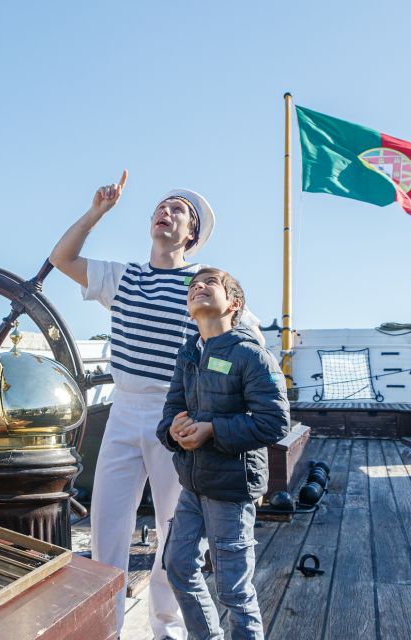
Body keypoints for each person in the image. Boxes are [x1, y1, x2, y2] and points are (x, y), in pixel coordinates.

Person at [50, 170, 261, 639]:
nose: (165, 213)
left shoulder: (202, 285)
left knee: (173, 529)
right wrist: (96, 212)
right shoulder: (121, 276)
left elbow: (249, 340)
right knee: (107, 523)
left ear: (193, 234)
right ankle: (106, 629)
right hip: (123, 409)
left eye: (178, 210)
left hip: (178, 413)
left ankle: (167, 629)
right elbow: (61, 258)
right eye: (161, 207)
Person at [157, 268, 289, 639]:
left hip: (231, 489)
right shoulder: (188, 355)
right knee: (179, 566)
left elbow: (274, 422)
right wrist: (174, 431)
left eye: (209, 283)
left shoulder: (251, 355)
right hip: (193, 485)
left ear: (233, 303)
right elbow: (171, 410)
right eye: (194, 285)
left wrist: (212, 430)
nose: (198, 286)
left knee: (233, 588)